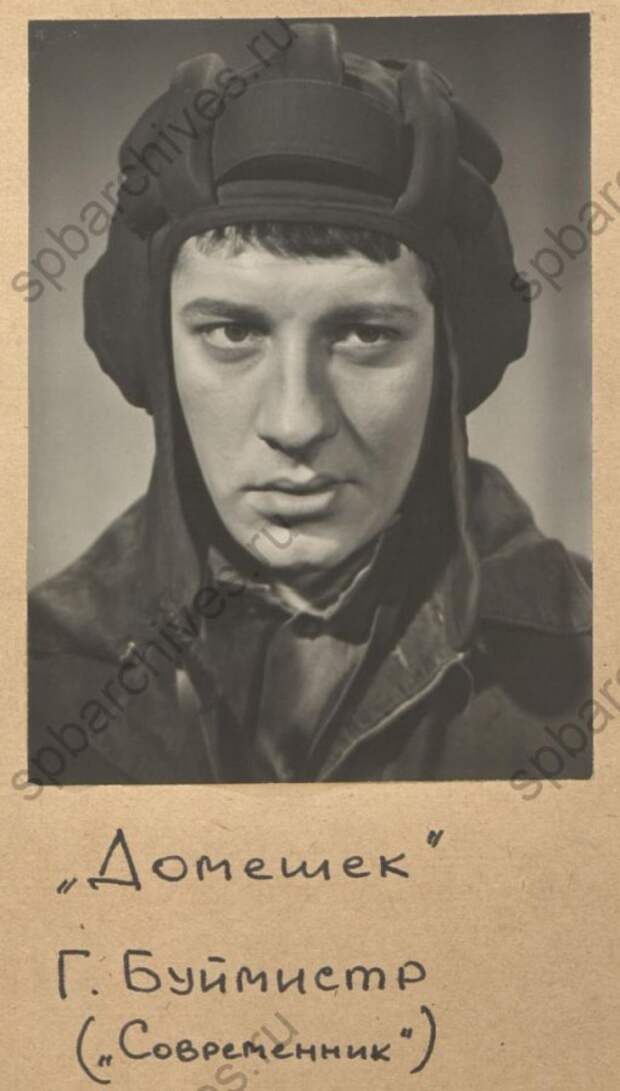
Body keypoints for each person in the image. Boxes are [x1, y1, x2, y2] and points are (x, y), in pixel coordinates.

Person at [28, 22, 592, 786]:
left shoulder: (589, 662)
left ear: (451, 360)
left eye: (364, 334)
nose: (295, 423)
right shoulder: (35, 676)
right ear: (153, 355)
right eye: (233, 331)